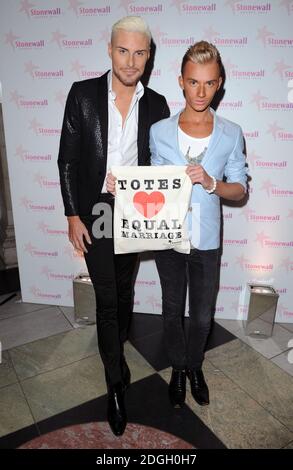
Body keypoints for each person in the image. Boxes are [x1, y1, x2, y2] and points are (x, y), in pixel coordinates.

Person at [57, 16, 169, 436]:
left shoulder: (156, 104)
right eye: (123, 50)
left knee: (125, 291)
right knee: (107, 297)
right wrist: (72, 215)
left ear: (148, 56)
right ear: (109, 49)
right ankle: (115, 386)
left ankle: (115, 350)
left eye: (140, 52)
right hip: (99, 211)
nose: (131, 60)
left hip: (136, 212)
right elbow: (67, 159)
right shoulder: (83, 95)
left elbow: (160, 164)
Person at [149, 41, 247, 408]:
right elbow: (152, 184)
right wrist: (121, 186)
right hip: (169, 238)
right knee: (172, 309)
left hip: (207, 240)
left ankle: (195, 366)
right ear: (181, 81)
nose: (201, 91)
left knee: (202, 316)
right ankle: (177, 368)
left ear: (219, 83)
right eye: (193, 82)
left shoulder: (232, 132)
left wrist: (211, 183)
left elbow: (239, 190)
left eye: (208, 83)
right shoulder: (159, 131)